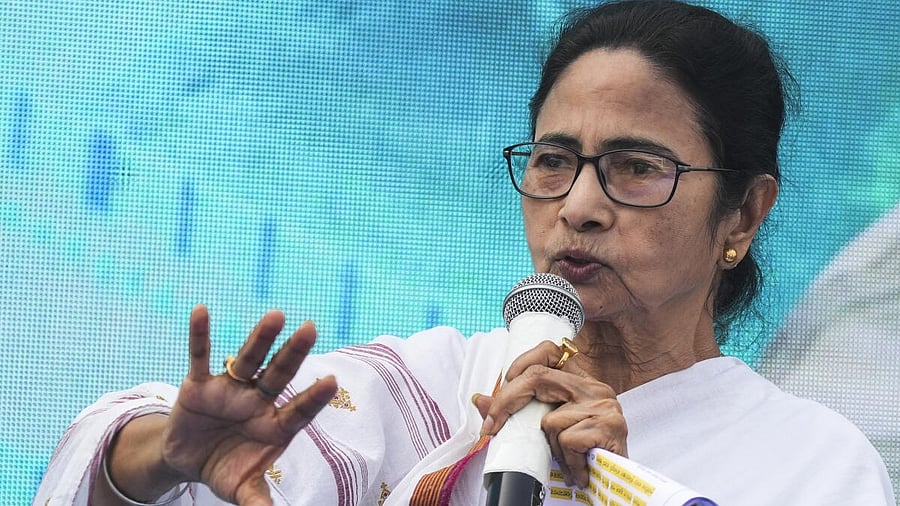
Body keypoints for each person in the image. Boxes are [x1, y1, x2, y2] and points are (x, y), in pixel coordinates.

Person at [34, 1, 895, 505]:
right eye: (555, 160)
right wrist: (161, 459)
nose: (580, 207)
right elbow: (140, 459)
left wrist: (613, 489)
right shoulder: (438, 388)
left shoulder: (817, 463)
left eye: (637, 168)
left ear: (742, 214)